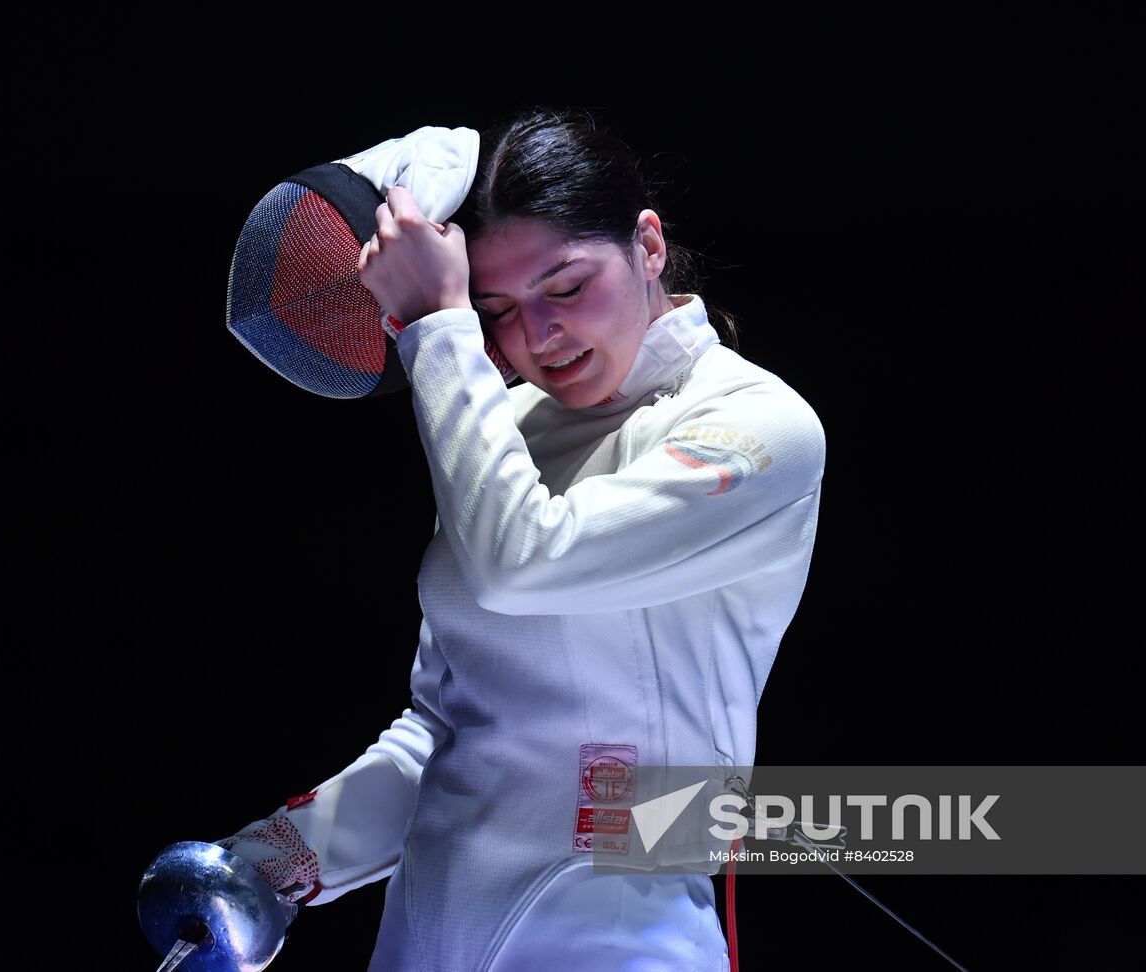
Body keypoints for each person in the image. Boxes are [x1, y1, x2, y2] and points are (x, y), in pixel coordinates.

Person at [215, 107, 826, 971]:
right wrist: (269, 863)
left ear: (647, 245)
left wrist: (438, 322)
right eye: (496, 308)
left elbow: (524, 564)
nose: (539, 337)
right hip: (425, 937)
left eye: (568, 287)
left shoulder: (758, 425)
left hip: (619, 937)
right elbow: (445, 731)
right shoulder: (504, 428)